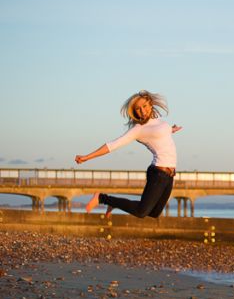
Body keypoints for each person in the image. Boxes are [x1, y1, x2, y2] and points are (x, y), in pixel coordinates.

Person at [75, 90, 182, 218]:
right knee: (141, 212)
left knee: (154, 213)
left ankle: (115, 203)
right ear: (134, 112)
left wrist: (171, 129)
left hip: (170, 175)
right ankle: (102, 198)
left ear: (151, 104)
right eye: (138, 109)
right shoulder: (138, 129)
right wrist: (87, 157)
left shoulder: (157, 120)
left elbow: (160, 133)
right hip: (158, 173)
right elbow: (113, 145)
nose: (143, 111)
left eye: (145, 106)